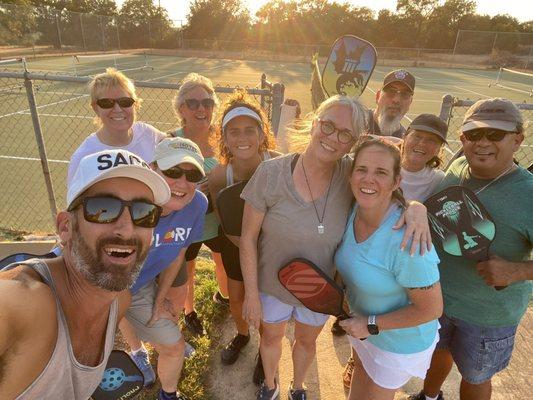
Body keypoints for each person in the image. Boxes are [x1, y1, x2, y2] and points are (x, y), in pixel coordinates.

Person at [240, 95, 432, 400]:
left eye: (345, 134)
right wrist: (251, 293)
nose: (332, 138)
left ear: (351, 144)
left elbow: (384, 186)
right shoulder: (271, 173)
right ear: (315, 124)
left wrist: (415, 207)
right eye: (328, 126)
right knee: (271, 337)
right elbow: (248, 237)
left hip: (320, 289)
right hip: (270, 284)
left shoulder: (350, 174)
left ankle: (298, 387)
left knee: (305, 341)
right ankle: (271, 384)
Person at [0, 149, 170, 399]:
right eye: (103, 208)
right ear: (65, 227)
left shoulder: (118, 301)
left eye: (143, 212)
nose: (126, 229)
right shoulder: (20, 302)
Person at [410, 98, 533, 400]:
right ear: (463, 138)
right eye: (474, 134)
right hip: (436, 300)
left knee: (476, 376)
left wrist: (516, 271)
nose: (482, 143)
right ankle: (429, 396)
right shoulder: (458, 165)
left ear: (518, 139)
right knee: (436, 354)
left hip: (487, 316)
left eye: (495, 134)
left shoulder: (528, 194)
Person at [341, 114, 449, 388]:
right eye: (361, 169)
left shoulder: (409, 240)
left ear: (396, 181)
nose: (368, 179)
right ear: (351, 173)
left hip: (396, 342)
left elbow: (432, 308)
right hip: (362, 328)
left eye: (381, 172)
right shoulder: (354, 209)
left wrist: (371, 323)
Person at [119, 137, 208, 400]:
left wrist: (160, 299)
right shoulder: (129, 205)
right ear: (152, 169)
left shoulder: (197, 204)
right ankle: (137, 352)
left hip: (139, 286)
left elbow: (177, 252)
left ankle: (168, 395)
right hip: (99, 288)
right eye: (172, 172)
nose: (182, 183)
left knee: (173, 346)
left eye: (192, 174)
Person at [208, 90, 280, 365]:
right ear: (224, 138)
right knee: (237, 297)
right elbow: (225, 221)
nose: (242, 138)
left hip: (273, 246)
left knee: (267, 302)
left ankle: (266, 348)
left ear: (262, 134)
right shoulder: (218, 176)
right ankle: (242, 334)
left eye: (250, 130)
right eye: (233, 131)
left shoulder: (280, 164)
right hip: (236, 244)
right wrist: (248, 248)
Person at [170, 73, 229, 337]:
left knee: (222, 261)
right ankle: (189, 312)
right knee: (187, 268)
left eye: (207, 102)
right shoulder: (172, 141)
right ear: (181, 108)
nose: (201, 109)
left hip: (218, 219)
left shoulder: (224, 139)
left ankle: (225, 296)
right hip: (186, 222)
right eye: (193, 103)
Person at [68, 68, 165, 183]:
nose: (118, 109)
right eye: (106, 103)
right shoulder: (84, 156)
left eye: (125, 102)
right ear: (95, 108)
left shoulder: (148, 134)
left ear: (135, 104)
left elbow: (173, 143)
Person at [400, 114, 448, 202]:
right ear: (405, 138)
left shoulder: (438, 180)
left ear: (438, 149)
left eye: (431, 140)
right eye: (417, 136)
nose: (422, 143)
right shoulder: (385, 168)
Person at [365, 69, 415, 139]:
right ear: (378, 96)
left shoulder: (403, 142)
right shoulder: (356, 122)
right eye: (391, 91)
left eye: (405, 94)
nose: (396, 100)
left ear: (410, 102)